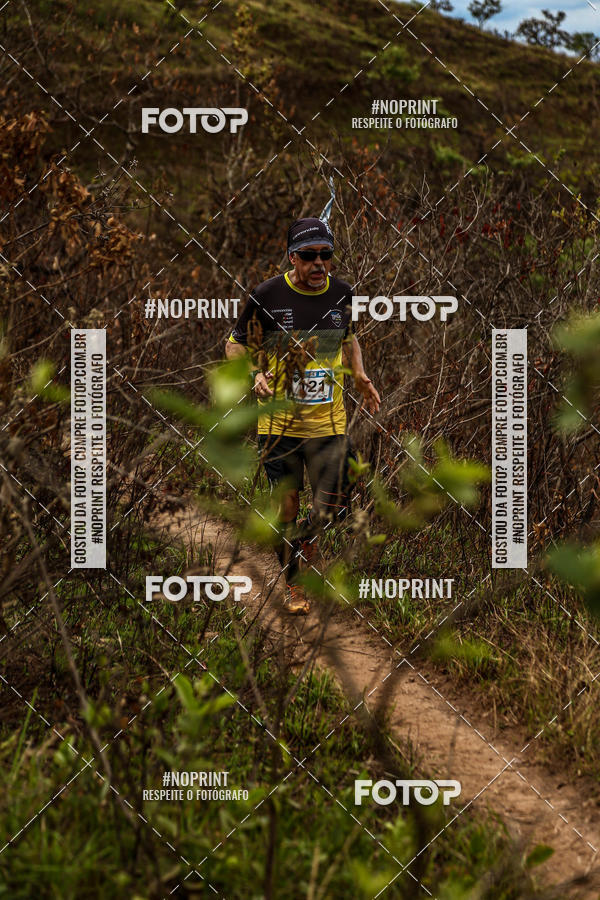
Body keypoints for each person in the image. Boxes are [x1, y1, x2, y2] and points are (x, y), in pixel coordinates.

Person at [225, 216, 380, 614]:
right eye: (309, 256)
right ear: (292, 257)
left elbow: (350, 337)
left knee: (332, 507)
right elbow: (234, 345)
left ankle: (305, 543)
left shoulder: (343, 293)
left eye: (326, 256)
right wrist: (254, 374)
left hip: (329, 423)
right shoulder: (267, 294)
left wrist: (359, 373)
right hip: (280, 425)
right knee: (288, 506)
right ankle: (295, 583)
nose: (319, 264)